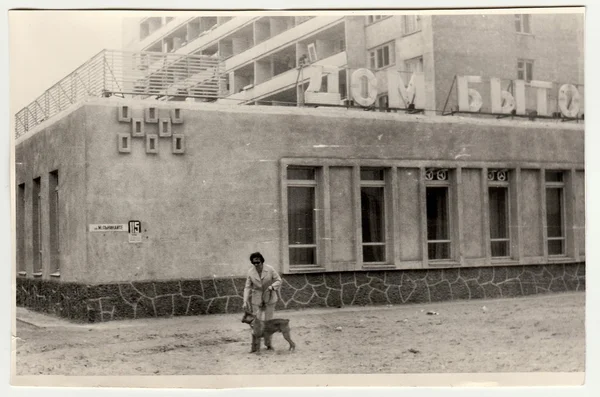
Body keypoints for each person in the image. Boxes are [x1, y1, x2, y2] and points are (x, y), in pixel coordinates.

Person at [243, 252, 282, 322]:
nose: (256, 264)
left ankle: (267, 332)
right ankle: (259, 333)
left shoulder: (270, 269)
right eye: (254, 263)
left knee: (268, 320)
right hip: (257, 298)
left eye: (258, 262)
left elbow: (279, 280)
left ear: (262, 261)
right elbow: (247, 287)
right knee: (257, 320)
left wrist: (272, 287)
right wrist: (245, 301)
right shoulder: (250, 272)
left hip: (270, 296)